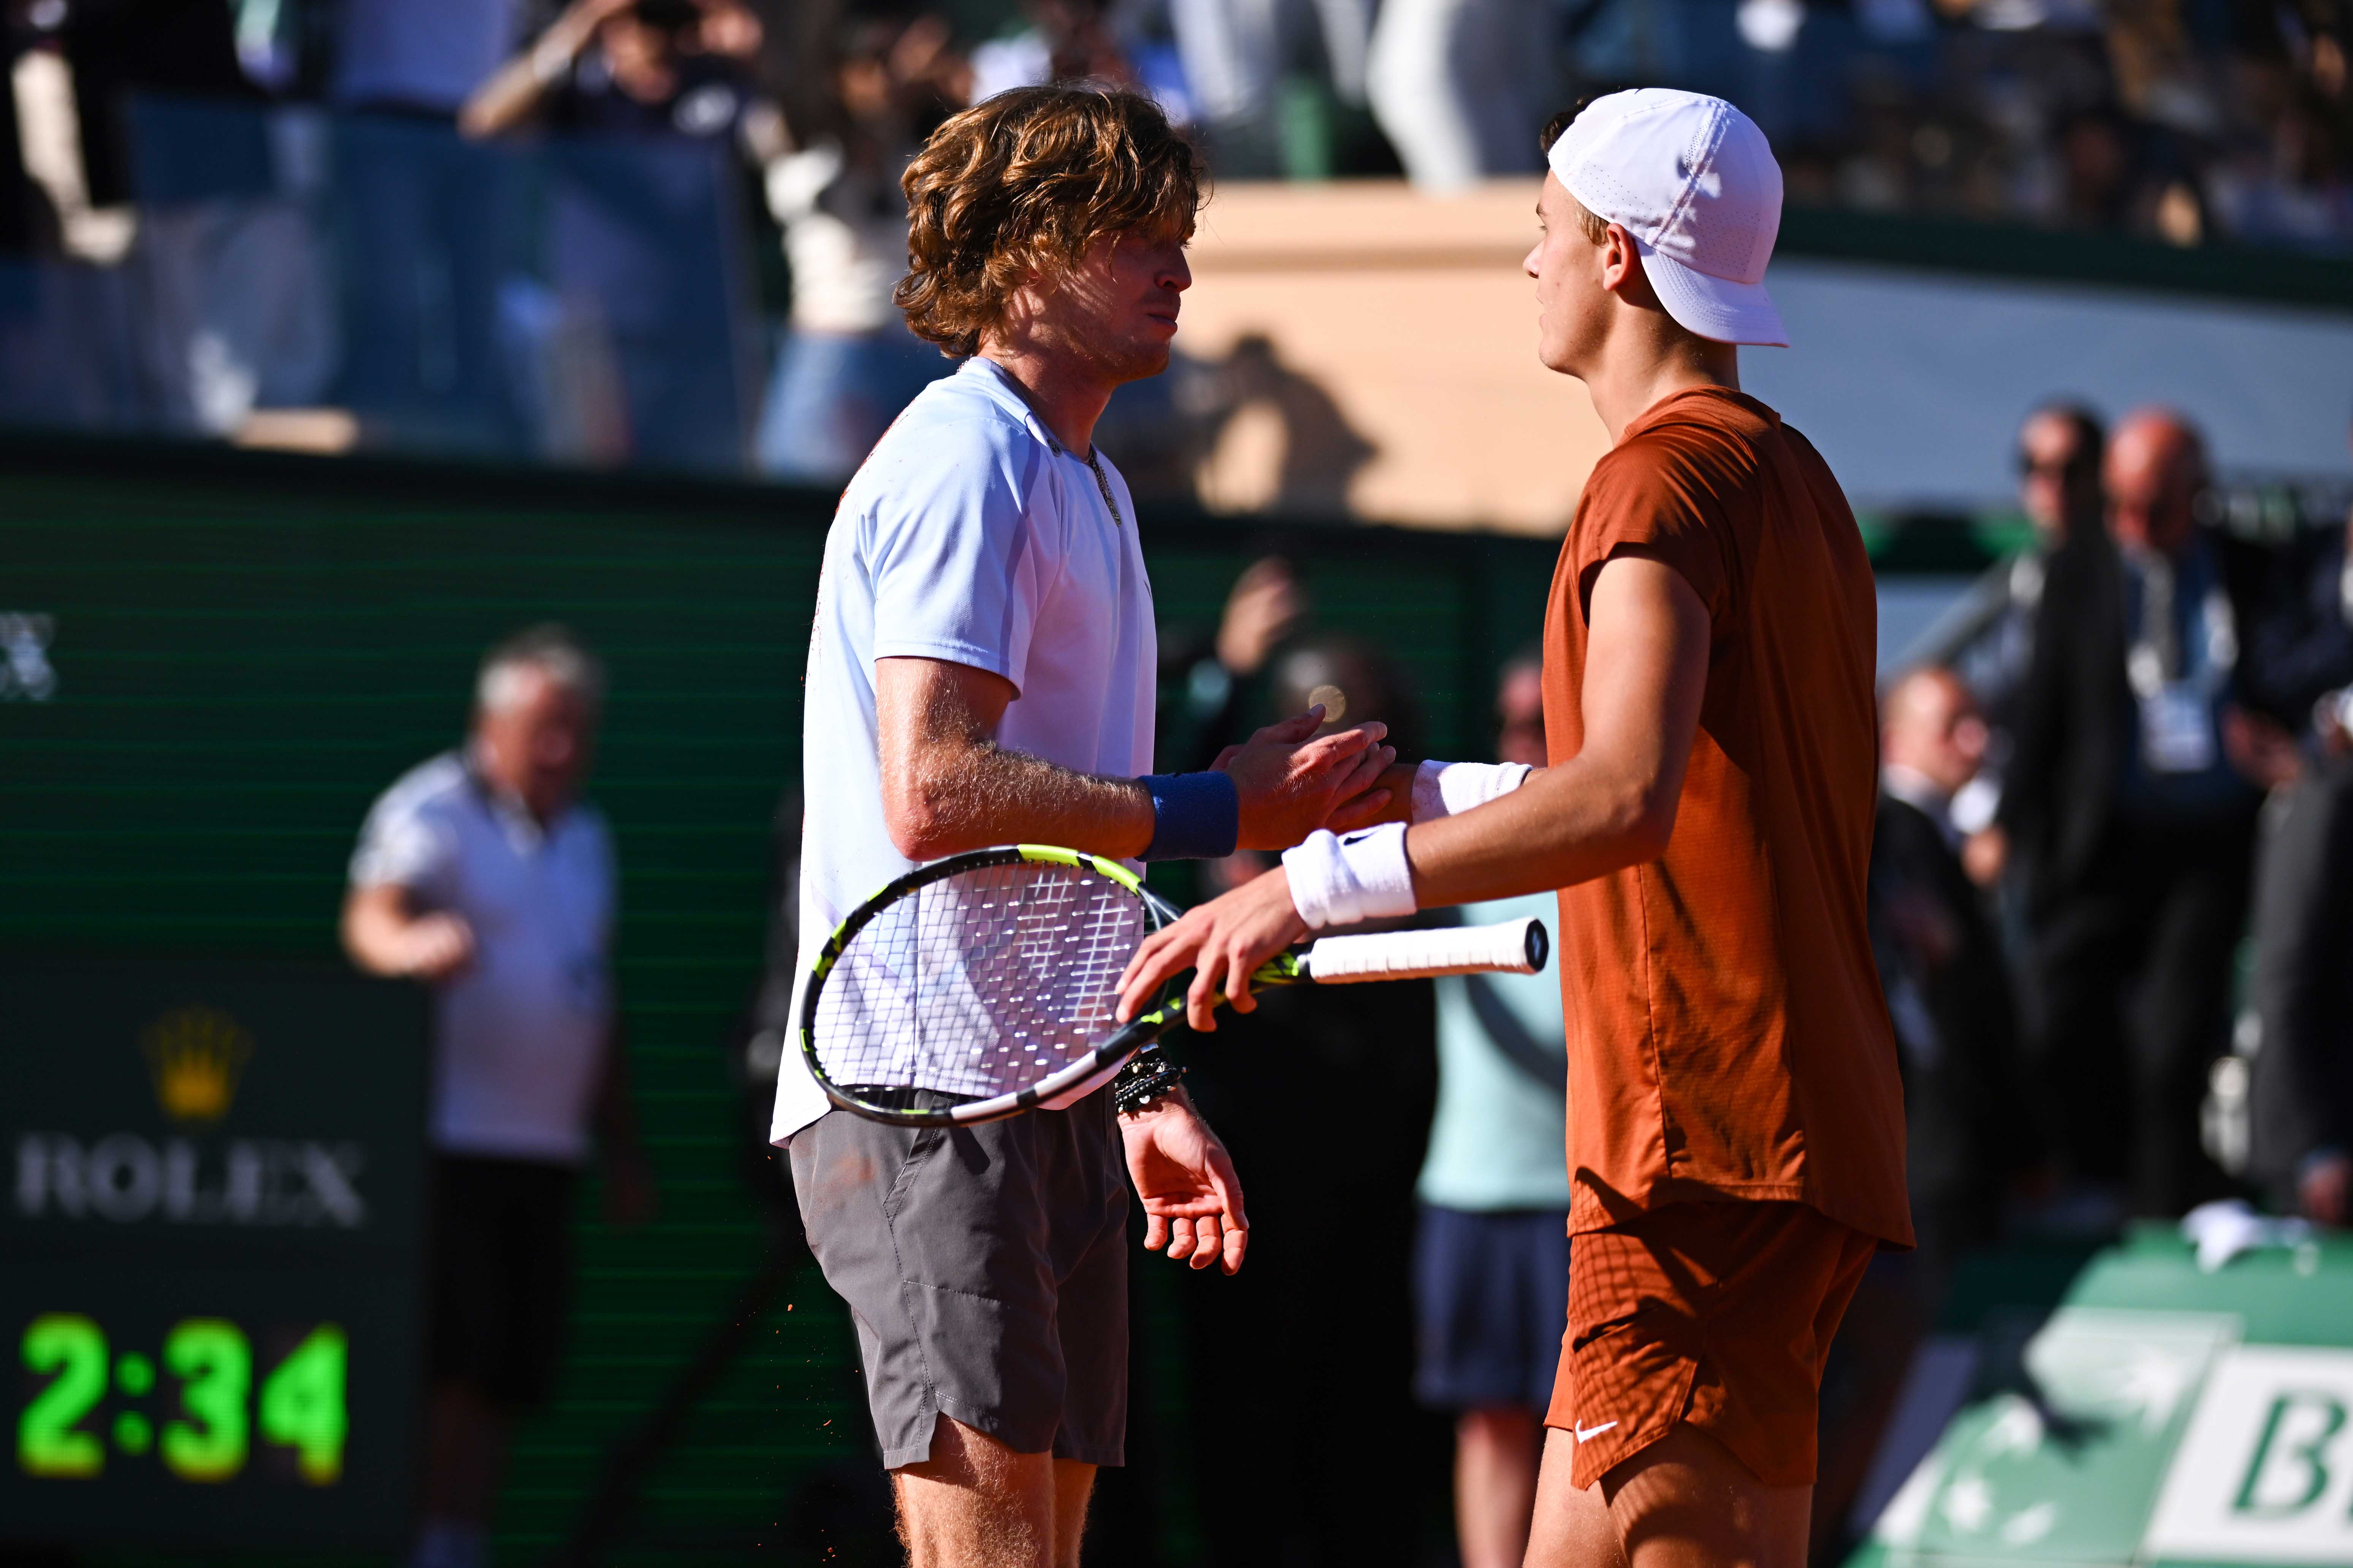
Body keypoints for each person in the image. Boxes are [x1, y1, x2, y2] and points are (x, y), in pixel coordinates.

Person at [1122, 88, 1912, 1568]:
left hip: (1696, 1146)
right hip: (1784, 1138)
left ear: (1618, 257)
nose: (1527, 263)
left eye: (1542, 230)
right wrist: (1413, 797)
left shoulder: (1654, 483)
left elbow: (1620, 792)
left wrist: (1314, 888)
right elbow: (1682, 789)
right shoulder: (1795, 487)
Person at [766, 86, 1396, 1568]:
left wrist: (1131, 1083)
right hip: (919, 1098)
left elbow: (1047, 887)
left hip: (1042, 1096)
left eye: (1181, 234)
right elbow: (934, 790)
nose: (1177, 268)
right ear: (1024, 255)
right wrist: (1220, 807)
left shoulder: (1094, 488)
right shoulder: (963, 461)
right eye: (1135, 235)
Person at [341, 624, 656, 1568]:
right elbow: (372, 913)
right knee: (453, 1364)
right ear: (492, 724)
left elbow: (590, 998)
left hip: (548, 1151)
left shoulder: (589, 838)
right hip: (451, 1142)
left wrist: (623, 1147)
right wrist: (411, 946)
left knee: (509, 1373)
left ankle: (461, 1544)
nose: (562, 750)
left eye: (577, 731)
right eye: (544, 728)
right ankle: (424, 1546)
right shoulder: (431, 809)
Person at [2000, 408, 2282, 1219]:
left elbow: (2297, 659)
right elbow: (2041, 714)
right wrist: (2008, 827)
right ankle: (2090, 1181)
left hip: (2207, 844)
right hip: (2105, 838)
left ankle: (2159, 1207)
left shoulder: (2248, 571)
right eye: (2118, 503)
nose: (2134, 525)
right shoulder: (2078, 569)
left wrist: (2279, 740)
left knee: (2173, 1037)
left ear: (2198, 495)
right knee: (2060, 1009)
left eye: (2154, 507)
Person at [1413, 651, 1571, 1568]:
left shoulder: (1618, 846)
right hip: (1471, 1189)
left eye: (1545, 725)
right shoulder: (1462, 847)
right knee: (1492, 1425)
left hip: (1584, 1195)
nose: (1525, 746)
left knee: (1581, 1435)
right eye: (1513, 726)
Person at [1872, 667, 2043, 1262]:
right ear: (1896, 741)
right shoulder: (1889, 837)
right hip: (1926, 1149)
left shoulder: (1943, 840)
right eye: (1952, 727)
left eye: (1979, 724)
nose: (1976, 741)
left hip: (1952, 1146)